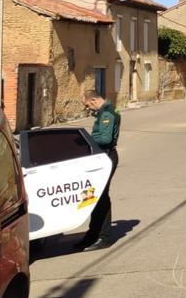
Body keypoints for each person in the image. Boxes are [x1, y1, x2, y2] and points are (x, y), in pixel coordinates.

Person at [77, 90, 120, 251]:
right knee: (95, 196)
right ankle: (93, 234)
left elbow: (105, 139)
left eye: (88, 105)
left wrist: (86, 139)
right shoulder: (105, 111)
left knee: (101, 197)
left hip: (106, 156)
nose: (88, 108)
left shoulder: (107, 114)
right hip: (103, 156)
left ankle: (104, 237)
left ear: (94, 100)